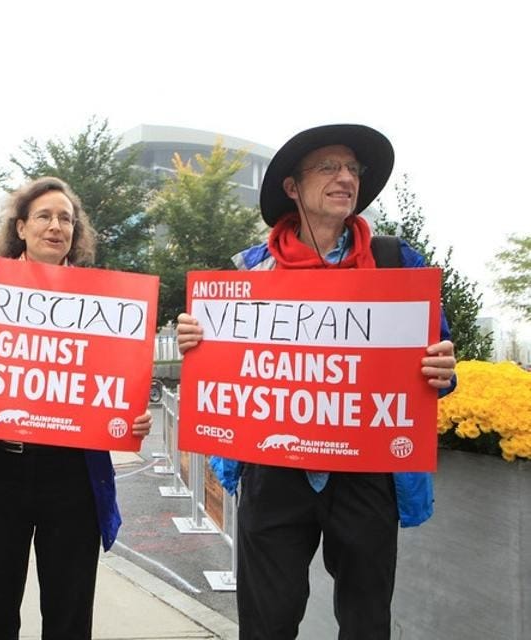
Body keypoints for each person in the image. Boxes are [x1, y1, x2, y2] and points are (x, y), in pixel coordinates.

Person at [176, 124, 458, 640]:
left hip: (368, 467)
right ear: (292, 187)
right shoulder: (247, 276)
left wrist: (443, 369)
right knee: (267, 619)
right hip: (273, 466)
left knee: (367, 619)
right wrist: (197, 341)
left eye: (352, 169)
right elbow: (222, 370)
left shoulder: (398, 265)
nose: (345, 177)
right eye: (329, 167)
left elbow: (437, 362)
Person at [0, 177, 153, 640]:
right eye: (44, 216)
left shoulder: (104, 300)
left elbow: (118, 387)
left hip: (72, 477)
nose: (56, 225)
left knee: (69, 613)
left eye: (66, 218)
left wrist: (130, 418)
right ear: (21, 227)